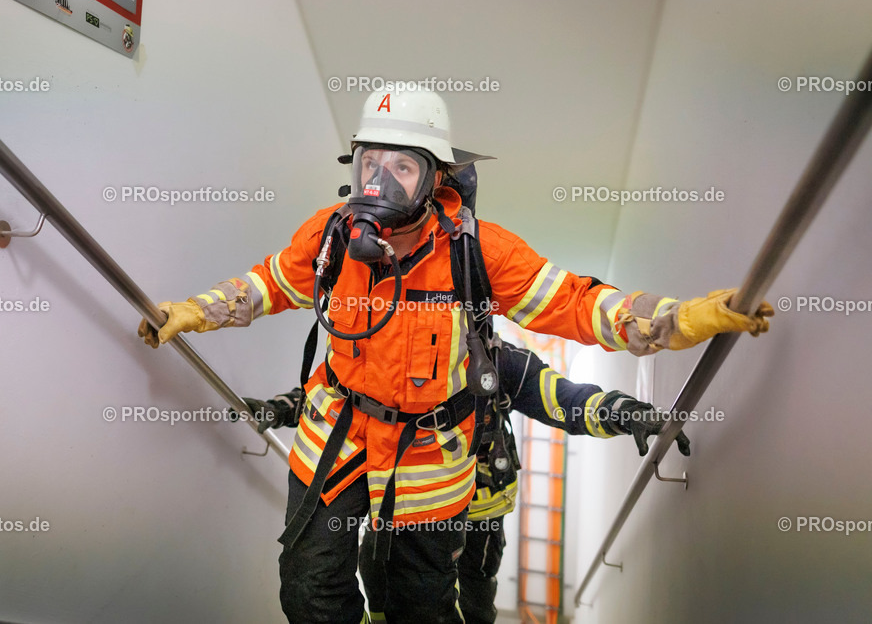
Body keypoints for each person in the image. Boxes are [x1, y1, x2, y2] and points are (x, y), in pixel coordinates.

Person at [137, 89, 773, 624]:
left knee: (424, 606)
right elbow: (265, 285)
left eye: (402, 167)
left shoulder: (480, 253)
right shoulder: (329, 234)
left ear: (436, 177)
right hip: (336, 436)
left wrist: (687, 318)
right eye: (369, 163)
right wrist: (189, 312)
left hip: (430, 463)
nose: (379, 181)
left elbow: (581, 305)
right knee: (306, 589)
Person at [240, 340, 689, 623]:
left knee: (472, 603)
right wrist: (279, 407)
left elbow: (564, 400)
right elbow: (341, 397)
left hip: (478, 516)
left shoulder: (501, 362)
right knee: (381, 582)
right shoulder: (393, 347)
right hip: (407, 507)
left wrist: (623, 411)